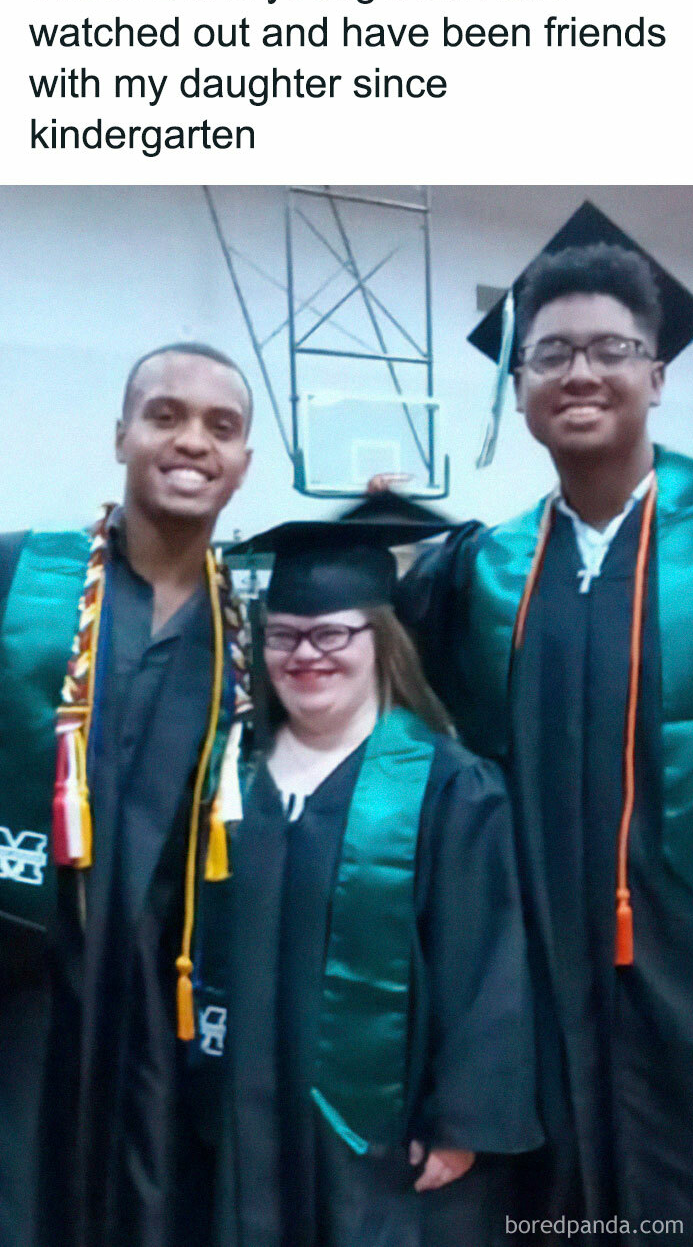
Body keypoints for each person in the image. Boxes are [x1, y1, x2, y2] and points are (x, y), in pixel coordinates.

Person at [396, 202, 693, 1242]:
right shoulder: (476, 572)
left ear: (655, 375)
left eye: (610, 349)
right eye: (550, 352)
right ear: (518, 386)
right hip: (531, 977)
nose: (579, 372)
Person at [214, 493, 543, 1247]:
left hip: (389, 1145)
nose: (305, 654)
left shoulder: (449, 786)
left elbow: (487, 964)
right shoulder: (232, 776)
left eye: (331, 632)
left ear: (381, 638)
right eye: (285, 636)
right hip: (248, 1128)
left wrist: (464, 1121)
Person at [0, 342, 255, 1247]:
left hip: (159, 991)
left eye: (220, 426)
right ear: (120, 436)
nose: (192, 441)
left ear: (245, 462)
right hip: (21, 972)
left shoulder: (253, 641)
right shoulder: (20, 575)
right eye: (165, 415)